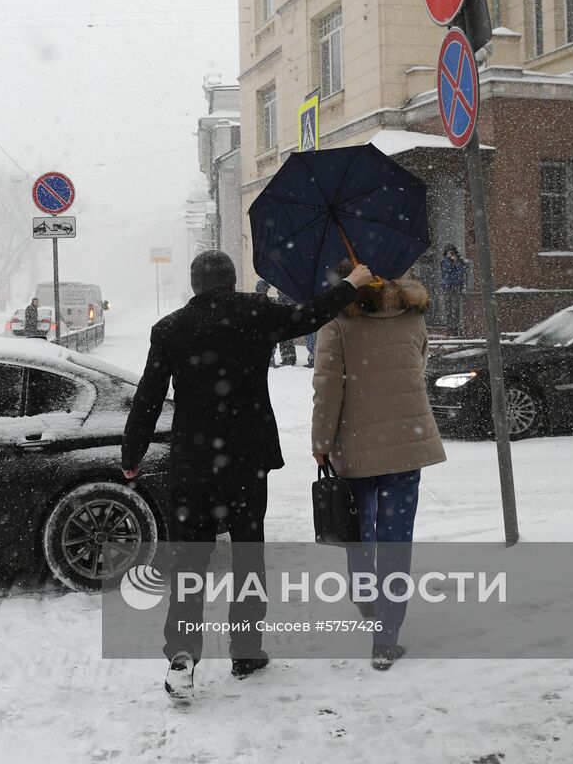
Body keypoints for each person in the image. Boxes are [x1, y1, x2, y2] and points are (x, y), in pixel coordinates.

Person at [123, 251, 373, 701]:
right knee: (248, 557)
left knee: (189, 562)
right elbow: (310, 314)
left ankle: (181, 654)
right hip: (246, 461)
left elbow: (148, 398)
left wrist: (131, 454)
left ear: (195, 283)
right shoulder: (256, 313)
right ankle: (245, 649)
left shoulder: (171, 328)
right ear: (232, 280)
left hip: (193, 464)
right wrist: (351, 282)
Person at [310, 268, 447, 672]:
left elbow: (328, 387)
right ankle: (386, 639)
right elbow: (415, 371)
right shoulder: (414, 316)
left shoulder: (337, 322)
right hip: (407, 443)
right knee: (397, 541)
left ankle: (364, 592)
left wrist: (321, 443)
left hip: (354, 446)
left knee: (358, 531)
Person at [253, 279, 298, 367]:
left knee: (275, 337)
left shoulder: (262, 298)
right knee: (284, 336)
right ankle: (287, 358)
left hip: (280, 311)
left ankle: (284, 358)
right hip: (284, 311)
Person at [439, 245, 468, 336]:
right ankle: (450, 327)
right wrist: (450, 260)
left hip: (456, 286)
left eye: (452, 252)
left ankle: (456, 327)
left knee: (456, 308)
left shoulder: (460, 262)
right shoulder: (444, 262)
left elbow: (461, 272)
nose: (450, 254)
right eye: (448, 253)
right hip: (447, 287)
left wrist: (456, 262)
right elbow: (447, 270)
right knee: (448, 307)